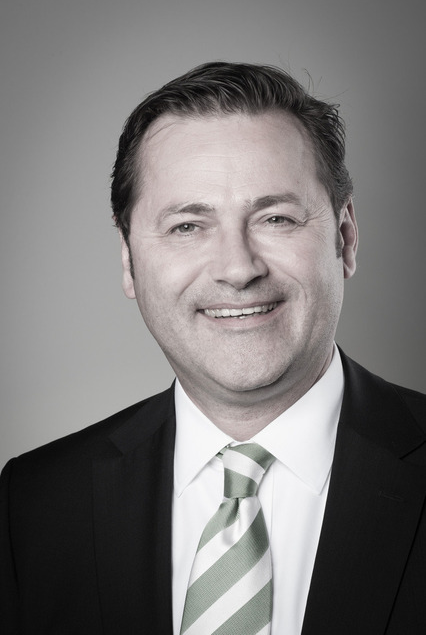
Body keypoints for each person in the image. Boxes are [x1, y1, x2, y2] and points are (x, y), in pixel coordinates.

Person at [1, 62, 425, 635]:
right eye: (187, 226)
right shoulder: (34, 503)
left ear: (345, 237)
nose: (237, 268)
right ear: (129, 261)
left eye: (275, 218)